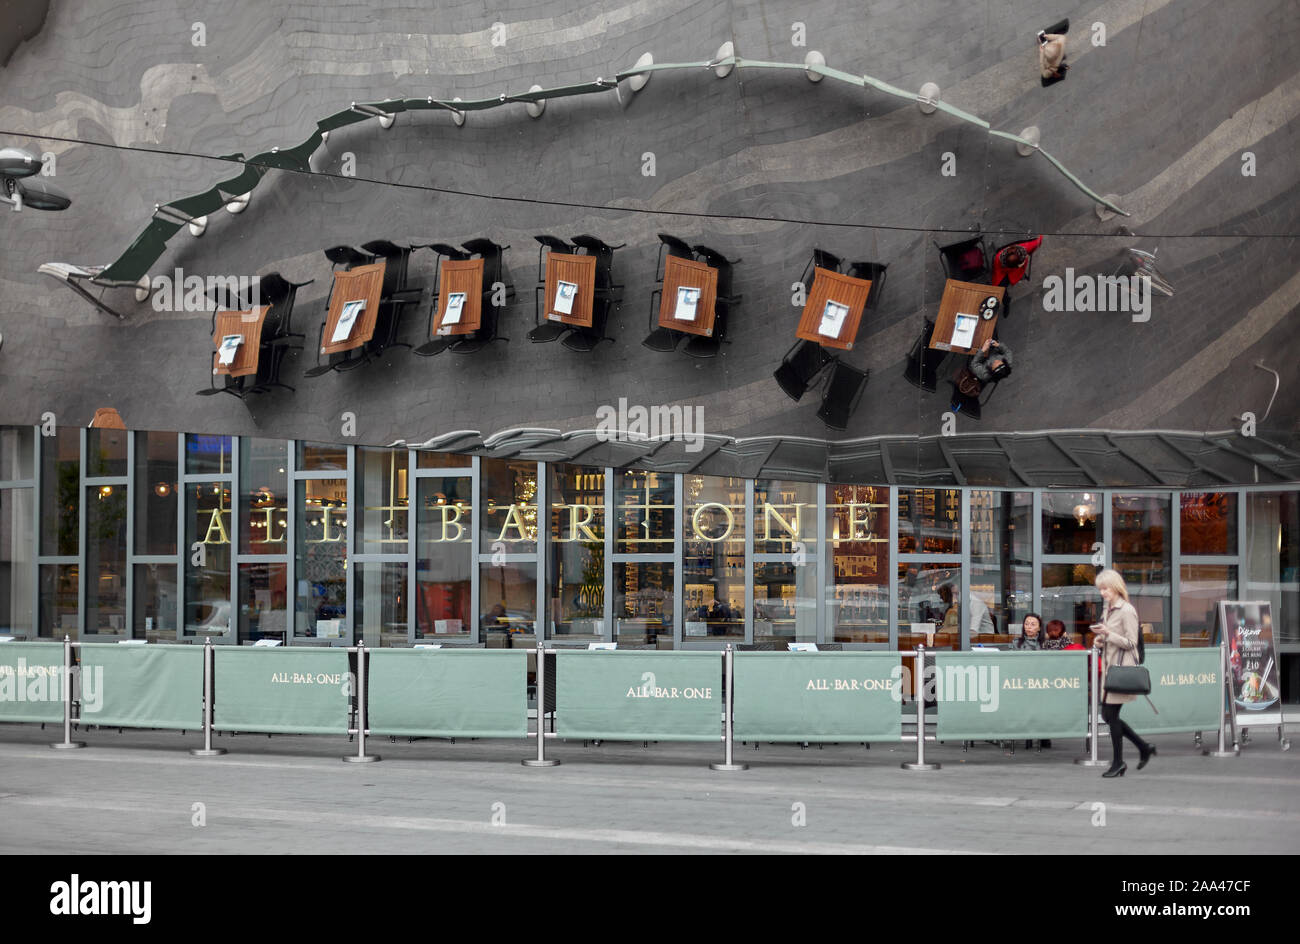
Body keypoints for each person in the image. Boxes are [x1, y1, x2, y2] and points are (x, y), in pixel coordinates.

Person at [1093, 569, 1155, 777]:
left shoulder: (1126, 610)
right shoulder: (1109, 609)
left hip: (1121, 669)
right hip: (1111, 669)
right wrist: (1100, 639)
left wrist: (1108, 634)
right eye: (1100, 589)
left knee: (1109, 715)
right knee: (1109, 715)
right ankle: (1142, 748)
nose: (1102, 593)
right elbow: (1109, 637)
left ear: (1115, 587)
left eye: (1105, 588)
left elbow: (1131, 643)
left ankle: (1119, 761)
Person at [1037, 19, 1070, 86]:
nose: (1046, 46)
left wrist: (1041, 54)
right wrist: (1048, 36)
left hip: (1053, 67)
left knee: (1046, 77)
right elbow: (1062, 37)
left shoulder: (1048, 71)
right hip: (1058, 59)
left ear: (1047, 59)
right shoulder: (1061, 41)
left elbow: (1043, 69)